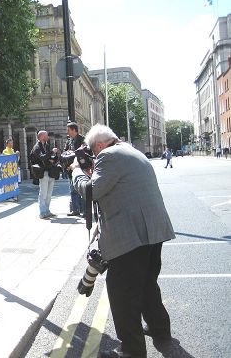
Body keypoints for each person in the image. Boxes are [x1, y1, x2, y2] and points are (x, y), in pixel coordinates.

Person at [71, 125, 174, 358]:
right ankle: (160, 329)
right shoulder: (130, 151)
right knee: (147, 283)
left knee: (122, 293)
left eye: (92, 151)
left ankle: (132, 349)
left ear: (99, 145)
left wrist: (76, 170)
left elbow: (91, 191)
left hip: (131, 235)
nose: (92, 156)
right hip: (153, 230)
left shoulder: (108, 155)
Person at [30, 130, 59, 219]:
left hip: (50, 172)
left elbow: (48, 157)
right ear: (42, 136)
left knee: (49, 193)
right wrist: (51, 153)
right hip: (43, 173)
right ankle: (42, 212)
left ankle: (47, 210)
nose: (48, 137)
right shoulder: (37, 147)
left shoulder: (46, 145)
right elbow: (42, 157)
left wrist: (54, 156)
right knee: (43, 193)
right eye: (46, 135)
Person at [63, 122, 85, 217]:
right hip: (70, 168)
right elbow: (65, 151)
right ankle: (75, 210)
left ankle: (84, 210)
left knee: (82, 190)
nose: (67, 132)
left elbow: (84, 152)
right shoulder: (69, 140)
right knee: (72, 190)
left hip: (80, 168)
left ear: (73, 130)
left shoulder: (82, 139)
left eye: (68, 130)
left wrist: (74, 152)